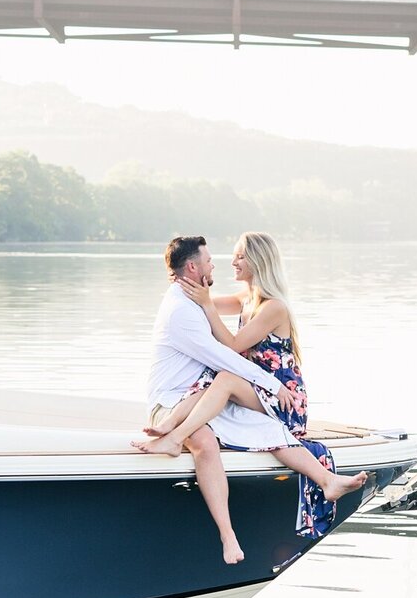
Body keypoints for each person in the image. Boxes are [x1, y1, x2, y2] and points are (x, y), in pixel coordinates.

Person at [140, 236, 366, 563]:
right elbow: (201, 304)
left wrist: (203, 302)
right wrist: (187, 290)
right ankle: (326, 480)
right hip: (255, 390)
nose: (229, 263)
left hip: (282, 394)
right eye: (225, 258)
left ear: (258, 262)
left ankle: (173, 435)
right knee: (220, 385)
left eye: (238, 258)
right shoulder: (246, 298)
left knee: (224, 378)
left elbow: (230, 345)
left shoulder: (273, 306)